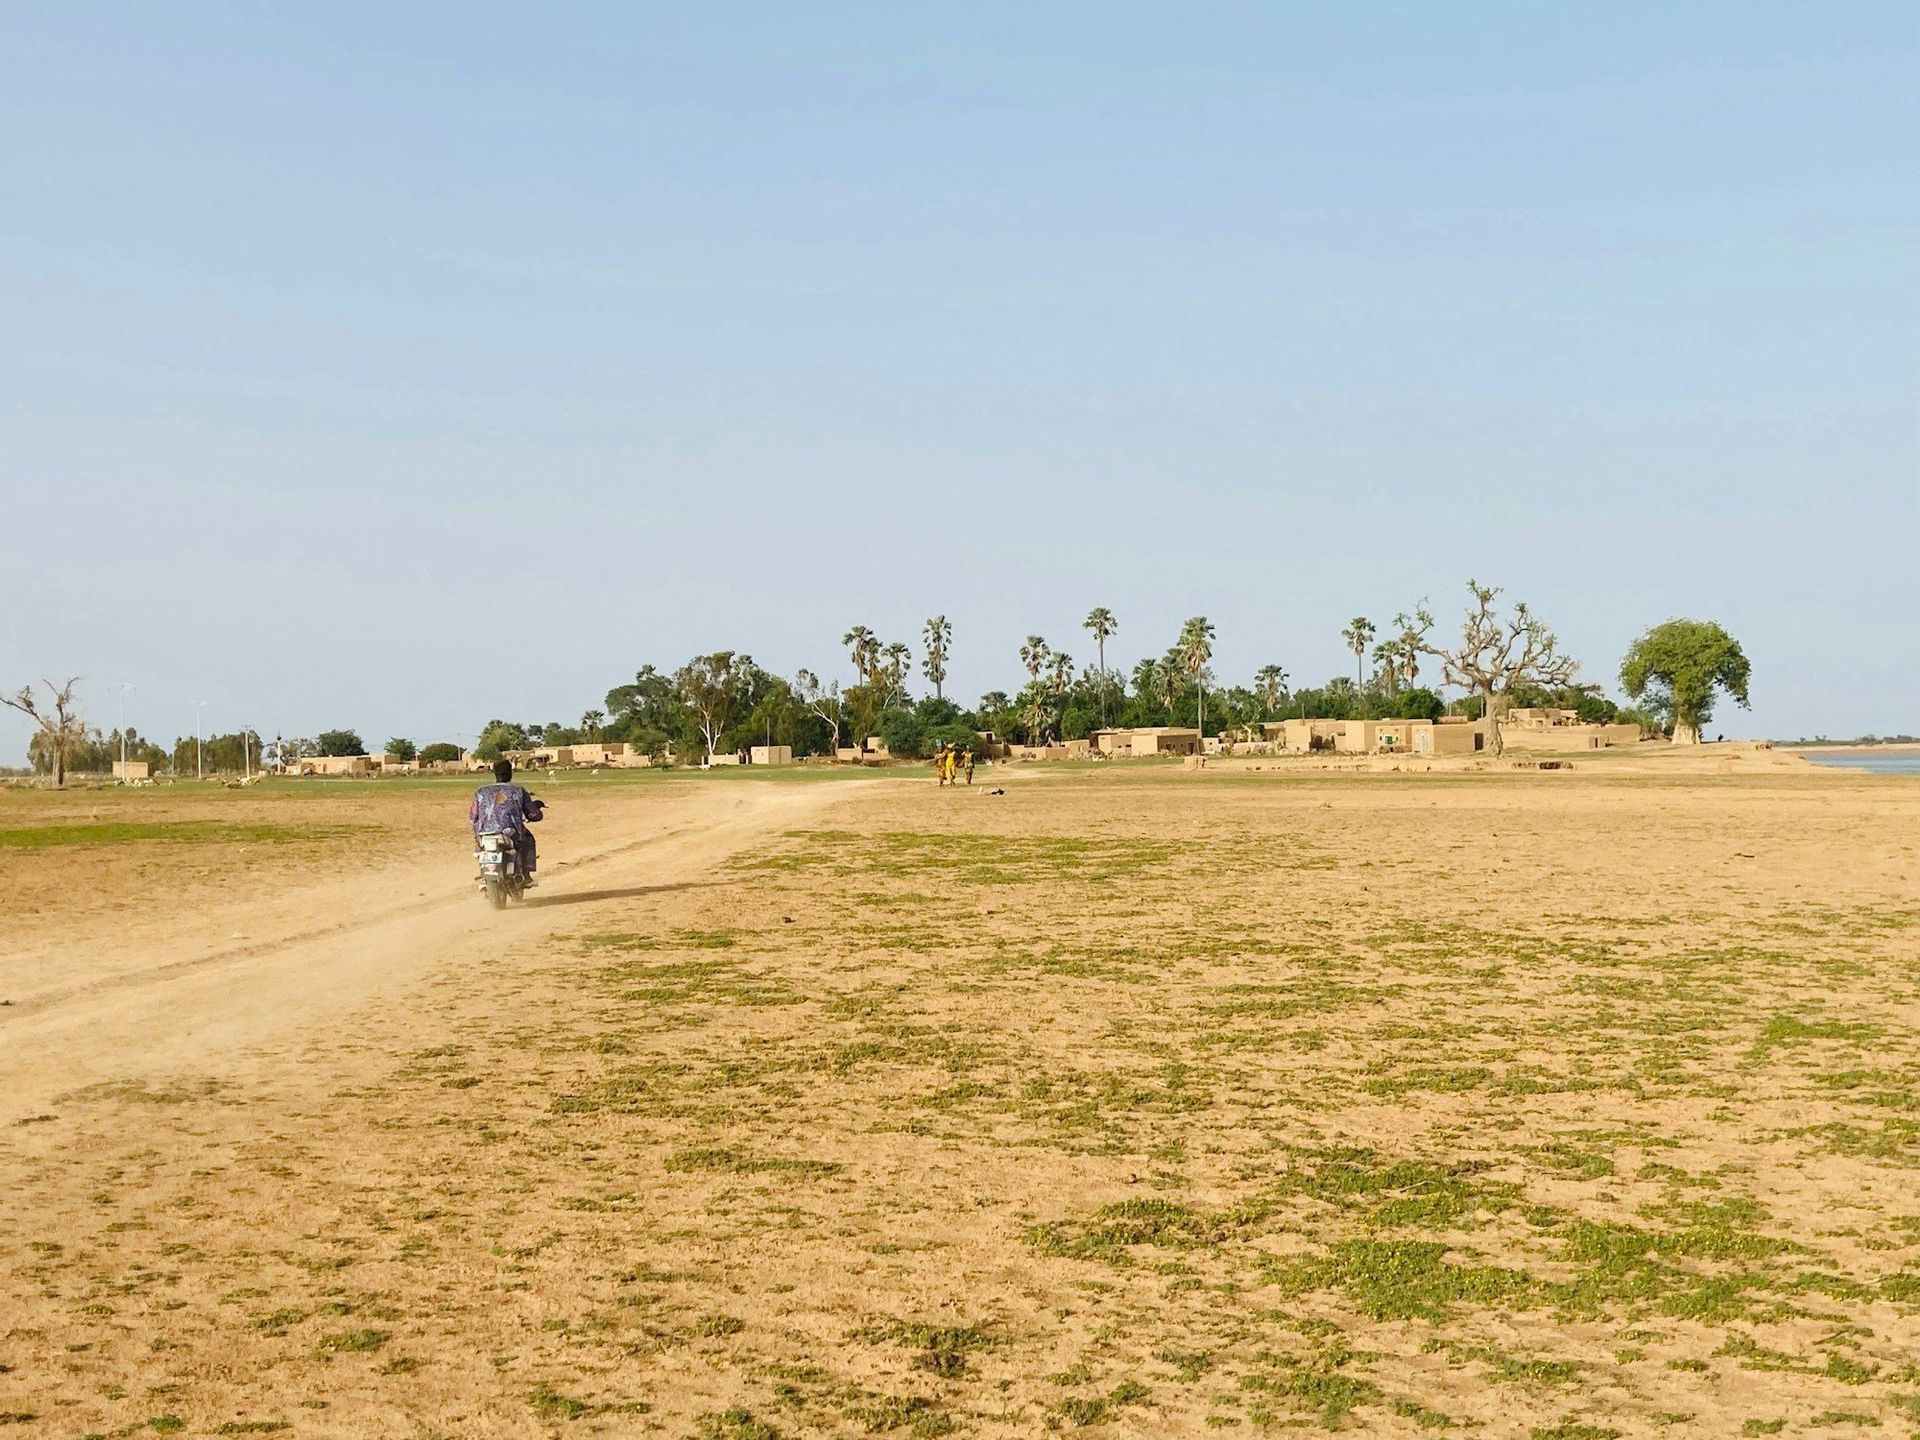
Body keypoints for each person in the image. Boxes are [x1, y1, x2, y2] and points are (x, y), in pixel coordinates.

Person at [470, 758, 545, 885]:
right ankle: (526, 874)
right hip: (511, 832)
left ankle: (484, 874)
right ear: (510, 773)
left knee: (481, 848)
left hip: (485, 833)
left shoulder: (481, 791)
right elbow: (533, 815)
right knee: (528, 839)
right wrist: (537, 810)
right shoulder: (518, 790)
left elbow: (473, 817)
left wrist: (478, 830)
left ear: (494, 773)